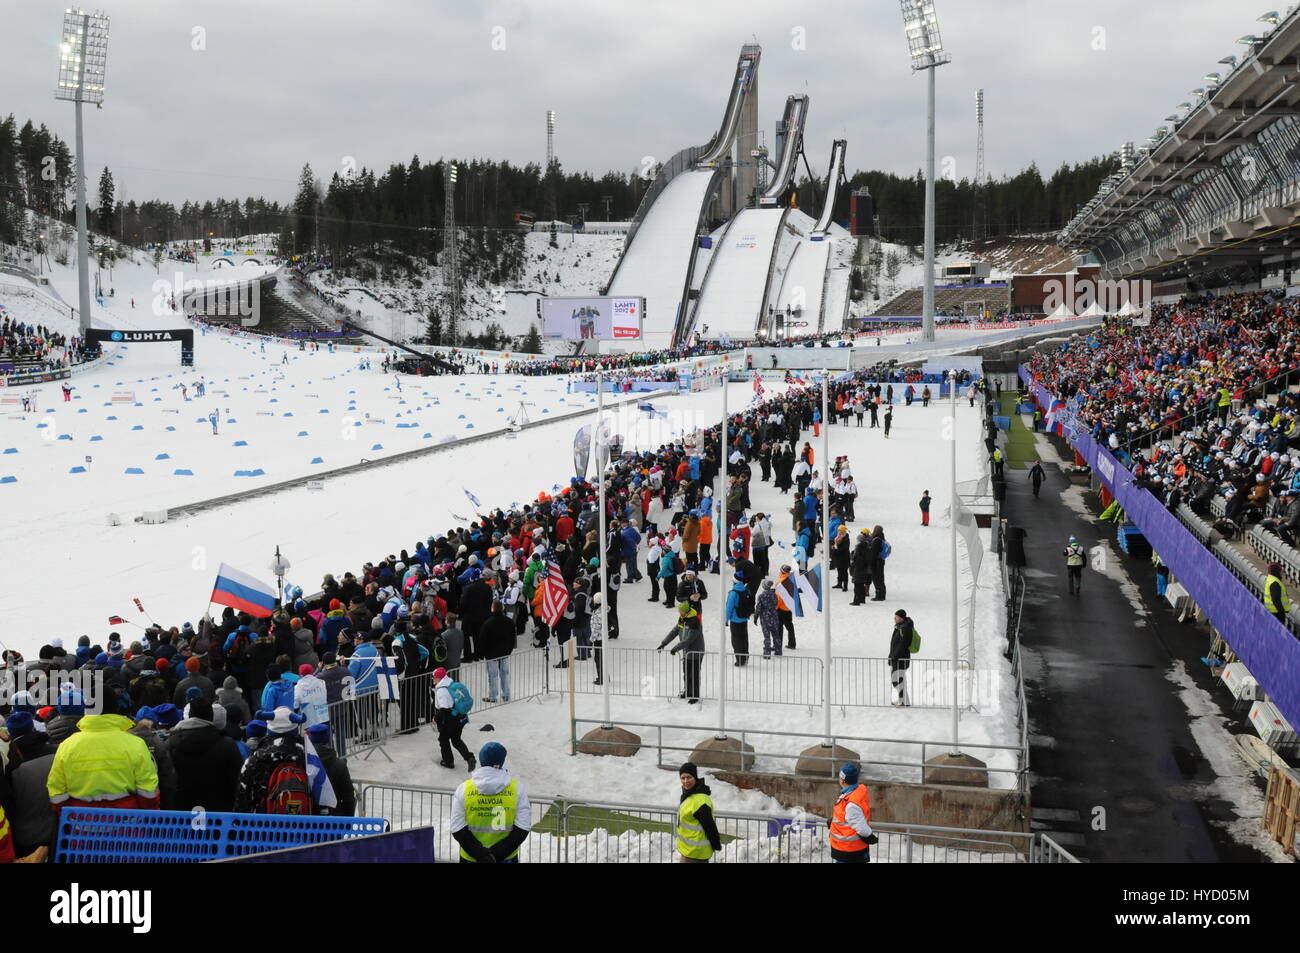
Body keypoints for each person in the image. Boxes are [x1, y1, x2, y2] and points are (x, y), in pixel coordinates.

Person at [47, 692, 161, 813]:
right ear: (116, 710)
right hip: (126, 823)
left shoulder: (67, 745)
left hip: (82, 825)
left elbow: (56, 790)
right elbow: (148, 790)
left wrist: (69, 816)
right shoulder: (136, 744)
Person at [450, 742, 532, 863]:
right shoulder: (517, 788)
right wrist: (495, 855)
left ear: (481, 760)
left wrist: (481, 855)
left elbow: (457, 827)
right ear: (501, 761)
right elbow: (522, 827)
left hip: (471, 858)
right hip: (505, 858)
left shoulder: (464, 788)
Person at [657, 602, 706, 704]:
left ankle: (695, 695)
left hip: (696, 651)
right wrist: (664, 643)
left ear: (686, 610)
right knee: (687, 673)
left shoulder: (695, 622)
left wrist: (675, 648)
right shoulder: (682, 619)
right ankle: (687, 691)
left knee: (694, 674)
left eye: (681, 610)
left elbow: (688, 640)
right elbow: (674, 631)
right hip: (686, 651)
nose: (679, 612)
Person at [829, 762, 876, 863]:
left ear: (843, 780)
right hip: (850, 849)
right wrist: (833, 822)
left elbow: (860, 826)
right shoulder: (857, 791)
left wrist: (869, 836)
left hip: (849, 851)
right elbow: (846, 818)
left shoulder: (851, 804)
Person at [675, 762, 722, 863]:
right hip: (688, 852)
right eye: (683, 778)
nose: (686, 781)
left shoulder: (700, 801)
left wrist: (716, 845)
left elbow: (709, 826)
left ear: (695, 778)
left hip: (696, 854)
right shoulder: (688, 795)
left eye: (689, 777)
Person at [433, 667, 476, 771]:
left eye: (433, 677)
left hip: (450, 719)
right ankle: (469, 757)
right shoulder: (450, 685)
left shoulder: (441, 691)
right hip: (460, 717)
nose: (432, 679)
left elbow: (444, 708)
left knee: (443, 739)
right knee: (456, 740)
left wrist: (436, 718)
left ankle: (448, 761)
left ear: (439, 678)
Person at [481, 601, 515, 703]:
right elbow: (513, 638)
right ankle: (506, 694)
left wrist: (485, 653)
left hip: (492, 655)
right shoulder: (509, 622)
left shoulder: (488, 623)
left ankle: (493, 696)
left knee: (493, 675)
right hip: (504, 653)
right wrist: (509, 650)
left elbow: (482, 639)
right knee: (504, 674)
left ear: (493, 608)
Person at [725, 570, 753, 666]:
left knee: (736, 640)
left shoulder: (733, 593)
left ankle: (740, 660)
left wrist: (726, 619)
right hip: (744, 619)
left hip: (735, 620)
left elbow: (729, 608)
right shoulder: (745, 590)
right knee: (744, 638)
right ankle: (745, 657)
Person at [888, 609, 913, 707]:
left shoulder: (905, 628)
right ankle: (903, 700)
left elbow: (903, 644)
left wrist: (894, 655)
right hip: (896, 658)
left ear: (901, 618)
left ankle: (904, 702)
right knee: (898, 680)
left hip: (900, 659)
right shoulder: (900, 627)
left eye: (896, 617)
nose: (894, 618)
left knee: (897, 680)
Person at [755, 579, 781, 658]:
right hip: (774, 617)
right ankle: (778, 651)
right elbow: (776, 603)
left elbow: (758, 608)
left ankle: (767, 653)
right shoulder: (774, 594)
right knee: (776, 634)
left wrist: (756, 617)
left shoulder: (761, 596)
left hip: (765, 619)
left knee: (767, 636)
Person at [1264, 561, 1292, 627]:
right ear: (1276, 571)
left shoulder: (1271, 578)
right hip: (1276, 613)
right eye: (1281, 571)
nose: (1282, 572)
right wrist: (1282, 613)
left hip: (1272, 611)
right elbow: (1276, 600)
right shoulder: (1275, 583)